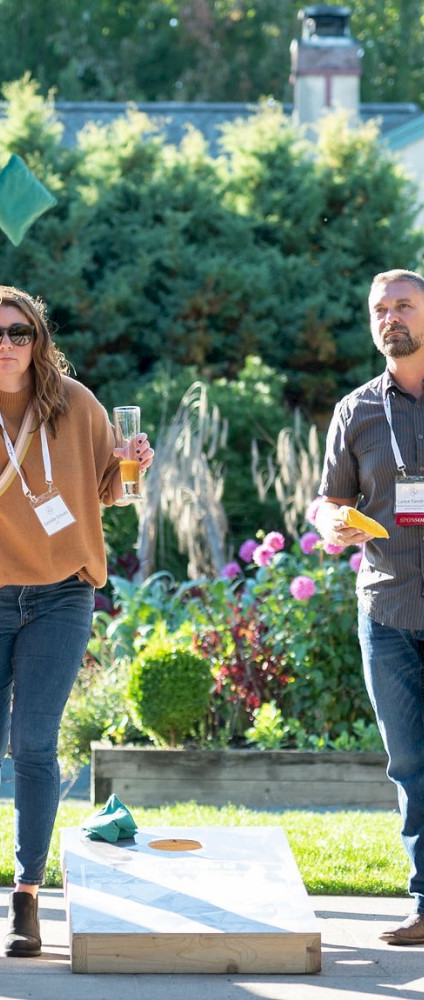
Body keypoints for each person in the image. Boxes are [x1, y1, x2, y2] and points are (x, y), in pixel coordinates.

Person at [0, 285, 154, 957]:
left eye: (19, 333)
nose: (6, 346)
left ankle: (26, 895)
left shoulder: (77, 403)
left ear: (38, 339)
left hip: (61, 594)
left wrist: (133, 462)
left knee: (37, 743)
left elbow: (108, 489)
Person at [317, 268, 424, 946]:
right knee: (410, 765)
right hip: (387, 610)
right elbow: (328, 500)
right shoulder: (356, 410)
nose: (392, 317)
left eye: (405, 305)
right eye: (381, 308)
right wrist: (331, 524)